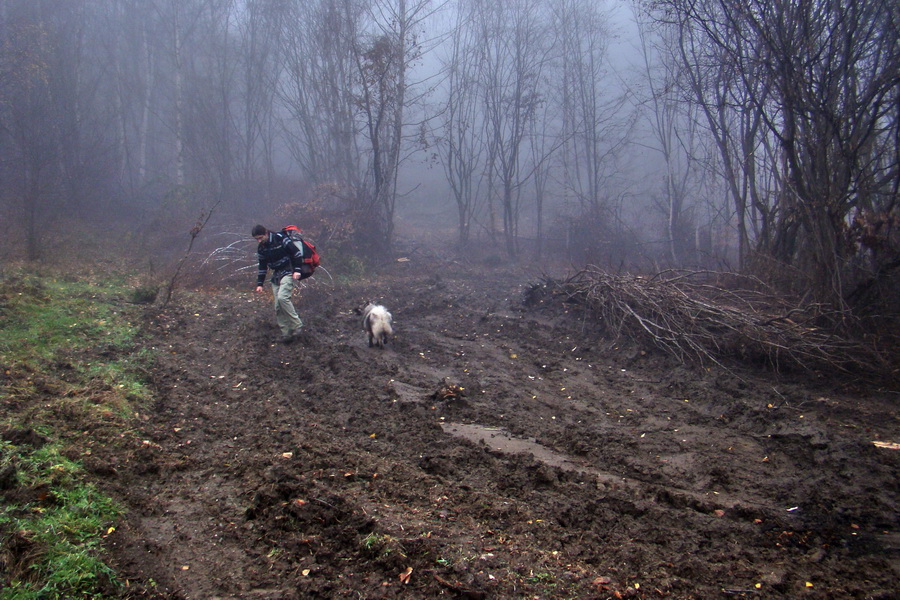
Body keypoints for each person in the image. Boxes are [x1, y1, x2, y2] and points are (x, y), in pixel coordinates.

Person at [252, 224, 305, 343]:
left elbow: (296, 253)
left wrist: (297, 270)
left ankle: (297, 325)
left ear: (266, 233)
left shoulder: (280, 238)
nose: (259, 241)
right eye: (257, 239)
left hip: (288, 270)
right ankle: (286, 333)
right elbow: (262, 266)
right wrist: (259, 283)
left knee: (282, 298)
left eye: (260, 238)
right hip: (276, 275)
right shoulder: (261, 248)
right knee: (277, 306)